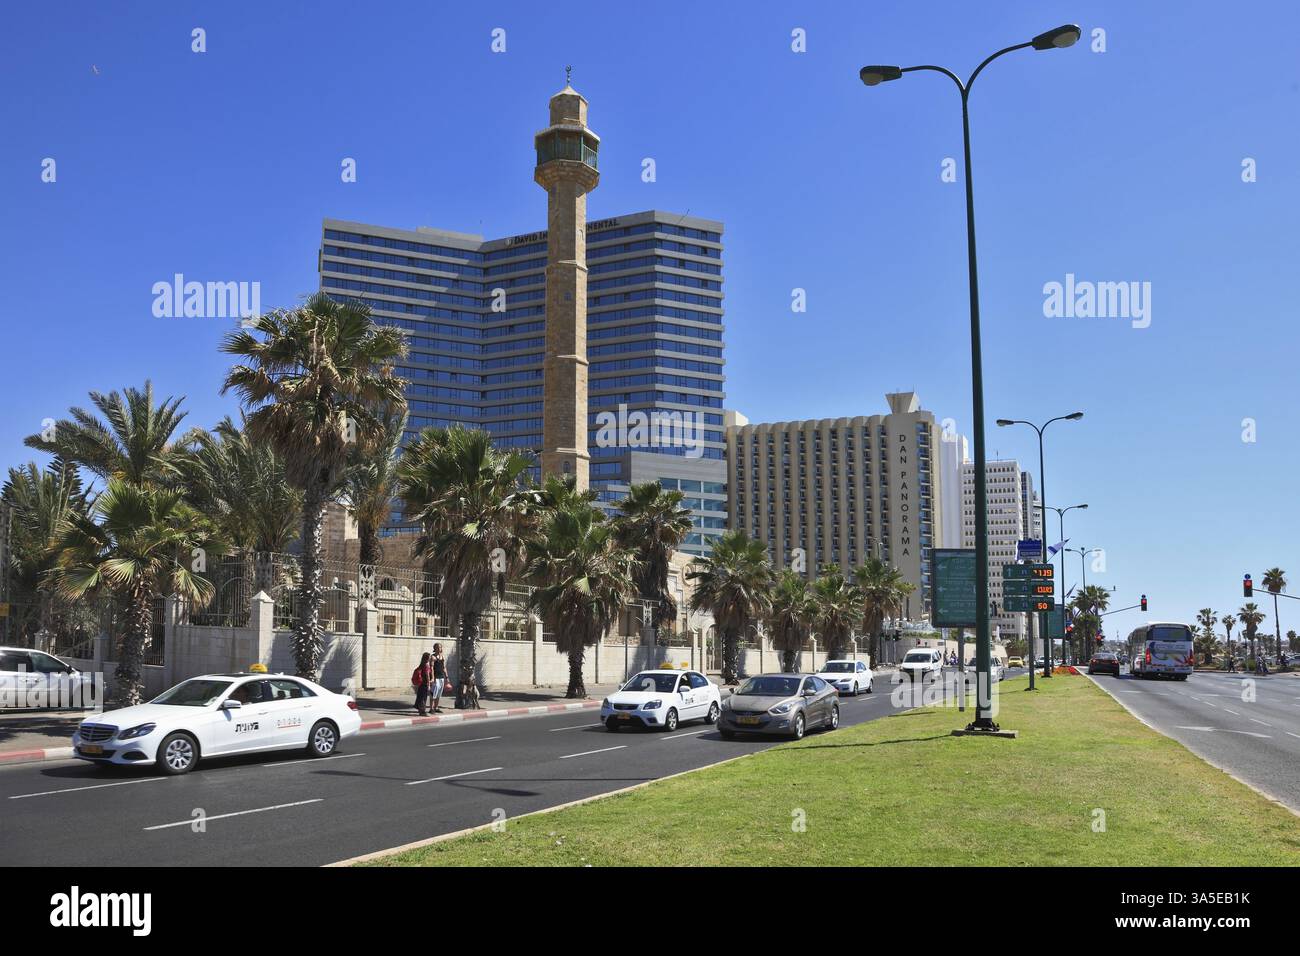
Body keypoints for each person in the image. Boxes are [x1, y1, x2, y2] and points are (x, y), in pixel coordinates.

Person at [430, 643, 447, 714]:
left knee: (439, 694)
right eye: (437, 647)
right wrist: (433, 678)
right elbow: (431, 668)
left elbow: (444, 667)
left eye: (440, 647)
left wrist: (447, 677)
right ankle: (431, 708)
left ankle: (436, 707)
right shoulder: (433, 657)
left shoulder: (442, 657)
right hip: (436, 678)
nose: (439, 649)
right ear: (434, 648)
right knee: (433, 693)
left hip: (441, 677)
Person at [413, 652, 431, 716]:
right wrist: (429, 684)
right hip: (425, 683)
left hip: (421, 683)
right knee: (423, 698)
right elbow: (427, 675)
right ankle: (422, 711)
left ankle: (420, 709)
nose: (430, 658)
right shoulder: (426, 665)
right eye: (429, 657)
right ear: (427, 658)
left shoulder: (422, 664)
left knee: (420, 696)